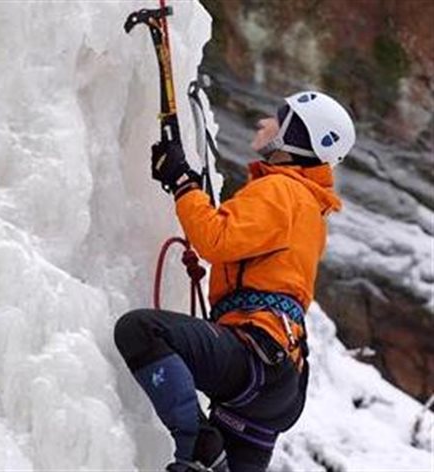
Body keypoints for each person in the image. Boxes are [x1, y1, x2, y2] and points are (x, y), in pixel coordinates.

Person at [114, 91, 356, 472]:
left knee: (141, 330)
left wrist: (182, 182)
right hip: (281, 383)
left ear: (297, 135)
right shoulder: (308, 204)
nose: (265, 124)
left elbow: (216, 239)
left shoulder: (281, 189)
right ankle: (209, 451)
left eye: (279, 120)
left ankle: (199, 444)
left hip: (254, 354)